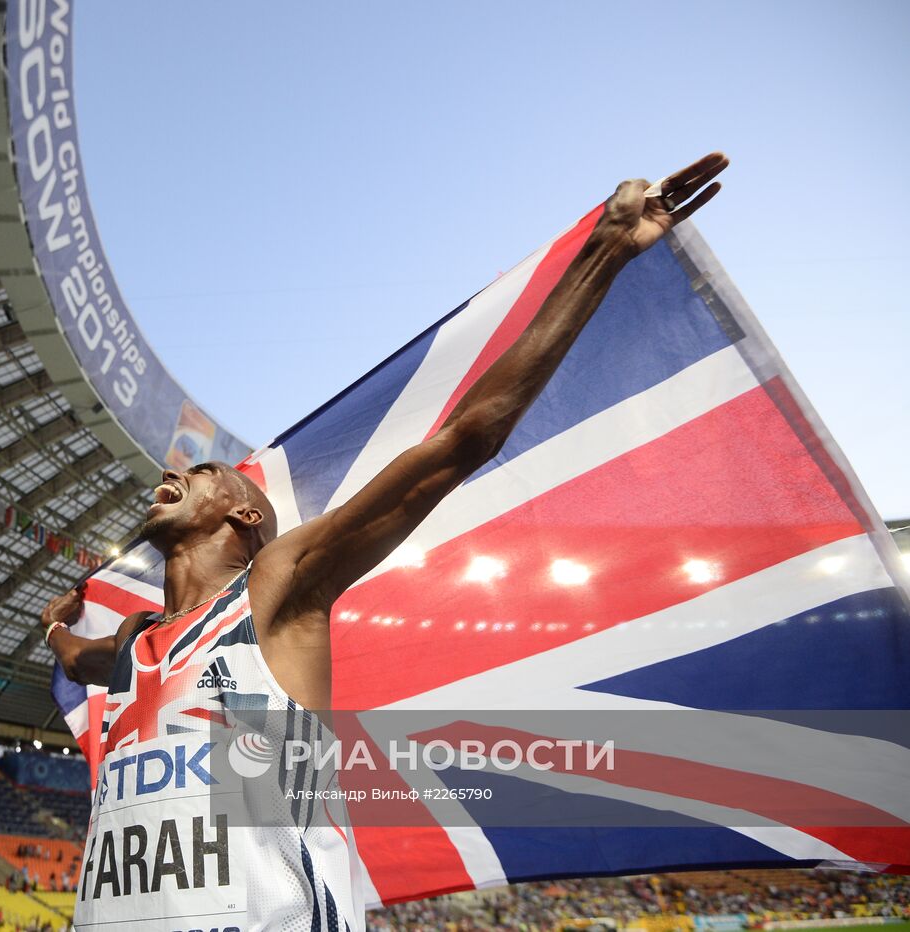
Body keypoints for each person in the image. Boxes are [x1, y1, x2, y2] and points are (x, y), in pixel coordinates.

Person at [41, 154, 729, 931]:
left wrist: (602, 251)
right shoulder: (134, 642)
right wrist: (57, 626)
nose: (178, 476)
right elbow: (75, 661)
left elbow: (463, 440)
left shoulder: (278, 586)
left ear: (243, 516)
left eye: (203, 474)